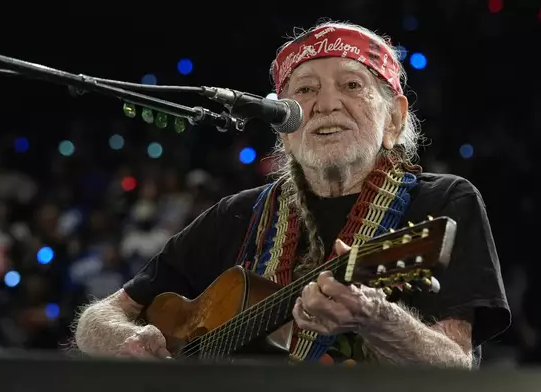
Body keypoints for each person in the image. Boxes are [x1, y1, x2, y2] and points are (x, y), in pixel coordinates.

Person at [73, 20, 511, 368]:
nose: (325, 104)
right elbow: (96, 319)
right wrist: (129, 341)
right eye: (303, 91)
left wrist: (377, 318)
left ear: (394, 120)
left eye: (352, 85)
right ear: (283, 130)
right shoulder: (238, 214)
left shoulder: (445, 201)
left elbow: (455, 368)